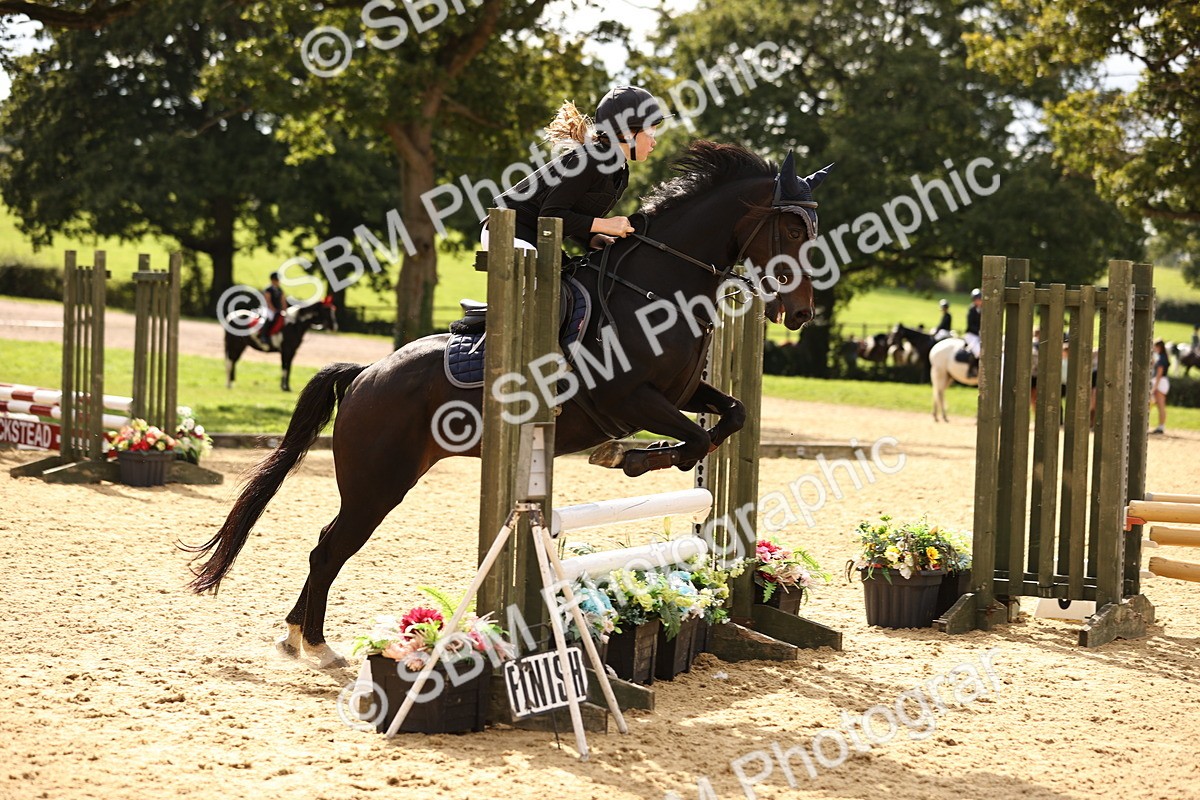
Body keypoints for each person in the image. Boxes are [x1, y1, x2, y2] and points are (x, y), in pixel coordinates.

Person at [482, 85, 666, 257]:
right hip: (507, 231)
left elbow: (572, 214)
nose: (653, 142)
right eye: (650, 134)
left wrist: (590, 238)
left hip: (538, 237)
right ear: (627, 133)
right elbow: (551, 214)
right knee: (548, 288)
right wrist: (605, 224)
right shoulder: (590, 160)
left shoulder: (620, 171)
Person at [260, 271, 286, 348]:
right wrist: (273, 309)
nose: (279, 282)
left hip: (277, 309)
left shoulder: (280, 290)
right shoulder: (268, 289)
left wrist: (284, 310)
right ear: (273, 280)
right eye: (277, 280)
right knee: (270, 317)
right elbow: (268, 301)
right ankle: (263, 335)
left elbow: (283, 301)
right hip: (269, 309)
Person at [1151, 338, 1170, 434]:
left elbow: (1159, 374)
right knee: (1158, 405)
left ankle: (1161, 427)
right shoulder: (1162, 357)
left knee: (1160, 406)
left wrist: (1154, 388)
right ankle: (1160, 426)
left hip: (1160, 382)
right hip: (1161, 382)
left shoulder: (1161, 358)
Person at [964, 288, 982, 377]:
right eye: (977, 300)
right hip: (971, 334)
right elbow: (970, 325)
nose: (979, 301)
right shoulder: (971, 310)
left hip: (980, 334)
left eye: (980, 299)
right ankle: (970, 371)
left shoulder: (982, 310)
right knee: (978, 351)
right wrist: (979, 331)